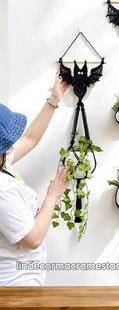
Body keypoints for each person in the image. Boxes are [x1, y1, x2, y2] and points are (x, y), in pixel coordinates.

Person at [0, 71, 70, 286]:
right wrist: (52, 196)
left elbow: (30, 138)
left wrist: (54, 100)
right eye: (6, 142)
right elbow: (33, 239)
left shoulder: (3, 165)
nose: (12, 145)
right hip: (15, 286)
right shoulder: (2, 191)